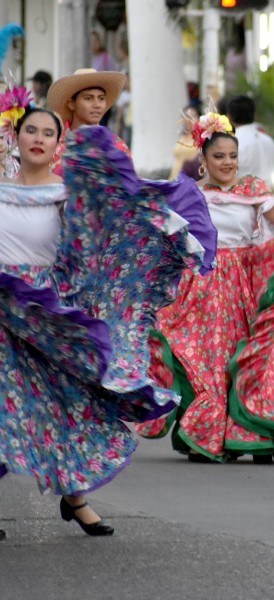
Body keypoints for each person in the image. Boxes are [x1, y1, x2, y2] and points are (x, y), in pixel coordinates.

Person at [0, 87, 215, 537]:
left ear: (60, 145)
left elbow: (119, 222)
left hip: (50, 314)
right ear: (15, 138)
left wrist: (178, 231)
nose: (38, 139)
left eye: (47, 133)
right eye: (30, 131)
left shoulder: (68, 195)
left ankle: (75, 498)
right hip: (3, 307)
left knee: (71, 402)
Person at [135, 110, 274, 463]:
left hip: (243, 284)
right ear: (204, 160)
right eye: (219, 156)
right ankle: (207, 430)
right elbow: (166, 233)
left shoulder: (253, 190)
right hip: (202, 283)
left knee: (251, 356)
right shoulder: (190, 193)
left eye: (233, 156)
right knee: (206, 359)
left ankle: (259, 433)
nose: (228, 163)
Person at [46, 68, 128, 173]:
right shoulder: (51, 145)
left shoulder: (117, 146)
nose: (97, 105)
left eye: (101, 99)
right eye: (88, 98)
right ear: (71, 103)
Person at [225, 95, 274, 185]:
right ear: (254, 115)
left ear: (229, 117)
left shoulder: (230, 142)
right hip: (268, 195)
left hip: (240, 196)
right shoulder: (269, 141)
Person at [169, 105, 202, 180]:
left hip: (190, 181)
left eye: (192, 116)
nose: (188, 120)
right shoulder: (182, 137)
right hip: (174, 179)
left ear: (199, 119)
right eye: (185, 117)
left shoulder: (202, 138)